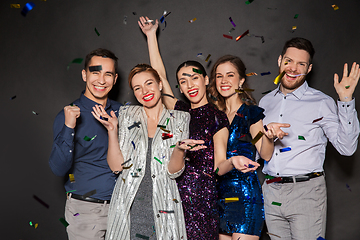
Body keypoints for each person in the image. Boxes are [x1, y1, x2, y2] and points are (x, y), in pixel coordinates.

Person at [138, 16, 259, 239]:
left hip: (203, 202)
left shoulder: (217, 117)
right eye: (183, 81)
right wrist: (151, 36)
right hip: (173, 195)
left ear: (205, 80)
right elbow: (160, 78)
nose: (189, 84)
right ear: (180, 88)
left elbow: (218, 167)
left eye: (194, 78)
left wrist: (232, 162)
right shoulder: (180, 110)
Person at [259, 37, 360, 240]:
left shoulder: (321, 102)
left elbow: (347, 148)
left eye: (301, 64)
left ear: (309, 68)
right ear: (280, 61)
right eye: (289, 61)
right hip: (271, 192)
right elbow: (261, 150)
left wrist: (346, 100)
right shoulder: (265, 101)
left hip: (306, 192)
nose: (293, 68)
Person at [92, 63, 205, 240]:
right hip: (128, 206)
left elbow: (173, 172)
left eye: (149, 83)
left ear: (160, 84)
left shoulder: (180, 119)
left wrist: (179, 149)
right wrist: (112, 131)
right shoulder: (127, 114)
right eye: (138, 88)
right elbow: (116, 167)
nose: (144, 91)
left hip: (164, 205)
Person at [208, 55, 289, 240]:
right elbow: (218, 167)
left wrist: (268, 137)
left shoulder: (251, 113)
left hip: (245, 196)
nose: (224, 81)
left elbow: (266, 153)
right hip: (220, 196)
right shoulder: (215, 115)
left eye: (230, 75)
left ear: (241, 80)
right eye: (219, 76)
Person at [49, 48, 121, 240]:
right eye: (95, 72)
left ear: (115, 79)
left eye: (108, 74)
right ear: (84, 75)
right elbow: (58, 168)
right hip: (85, 211)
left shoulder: (123, 112)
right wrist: (69, 127)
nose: (101, 80)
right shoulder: (67, 116)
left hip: (123, 209)